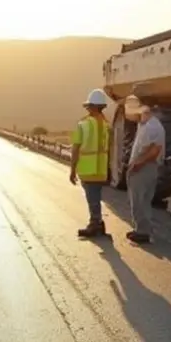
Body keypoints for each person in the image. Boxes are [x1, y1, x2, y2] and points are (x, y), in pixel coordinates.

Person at [69, 89, 112, 238]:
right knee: (96, 197)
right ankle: (98, 223)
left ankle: (95, 224)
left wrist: (72, 169)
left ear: (93, 106)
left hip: (87, 169)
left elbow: (75, 147)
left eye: (88, 106)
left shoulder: (82, 124)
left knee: (92, 199)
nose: (87, 109)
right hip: (101, 170)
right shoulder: (107, 125)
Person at [125, 99, 166, 244]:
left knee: (139, 200)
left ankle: (142, 232)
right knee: (140, 200)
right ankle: (141, 229)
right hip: (143, 166)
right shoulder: (145, 125)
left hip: (144, 168)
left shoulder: (153, 127)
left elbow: (155, 150)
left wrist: (138, 164)